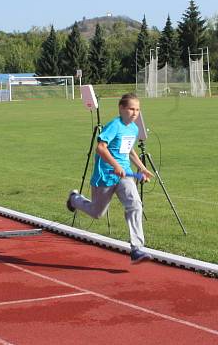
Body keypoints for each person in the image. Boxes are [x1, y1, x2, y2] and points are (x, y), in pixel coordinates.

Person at [65, 93, 154, 264]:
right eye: (131, 109)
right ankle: (74, 199)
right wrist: (115, 165)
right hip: (106, 175)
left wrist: (142, 168)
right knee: (97, 213)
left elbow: (129, 150)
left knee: (135, 204)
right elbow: (100, 147)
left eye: (137, 110)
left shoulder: (133, 128)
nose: (135, 113)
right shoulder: (114, 125)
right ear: (121, 108)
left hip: (125, 175)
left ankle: (136, 249)